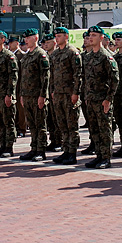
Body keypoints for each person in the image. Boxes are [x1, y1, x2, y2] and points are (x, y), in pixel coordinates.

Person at [81, 26, 119, 169]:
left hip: (102, 100)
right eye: (90, 35)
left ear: (101, 38)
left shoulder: (106, 56)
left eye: (95, 35)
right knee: (94, 129)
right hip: (91, 99)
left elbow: (114, 79)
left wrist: (109, 99)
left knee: (104, 130)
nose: (91, 37)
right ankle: (98, 155)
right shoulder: (89, 57)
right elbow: (85, 78)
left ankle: (106, 157)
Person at [50, 27, 83, 165]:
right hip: (58, 94)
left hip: (69, 94)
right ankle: (66, 150)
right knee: (62, 124)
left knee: (71, 125)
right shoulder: (55, 53)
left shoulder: (72, 52)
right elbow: (52, 74)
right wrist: (52, 90)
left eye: (59, 36)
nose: (57, 38)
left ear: (66, 37)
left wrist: (76, 92)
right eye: (56, 36)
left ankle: (72, 153)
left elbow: (78, 74)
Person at [18, 28, 50, 161]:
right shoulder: (26, 56)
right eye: (25, 38)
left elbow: (45, 77)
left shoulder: (40, 54)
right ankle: (34, 148)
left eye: (28, 38)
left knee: (40, 124)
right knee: (31, 124)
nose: (26, 40)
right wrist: (21, 94)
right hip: (27, 96)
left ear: (35, 38)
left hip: (37, 95)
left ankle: (41, 150)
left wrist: (43, 95)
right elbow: (23, 78)